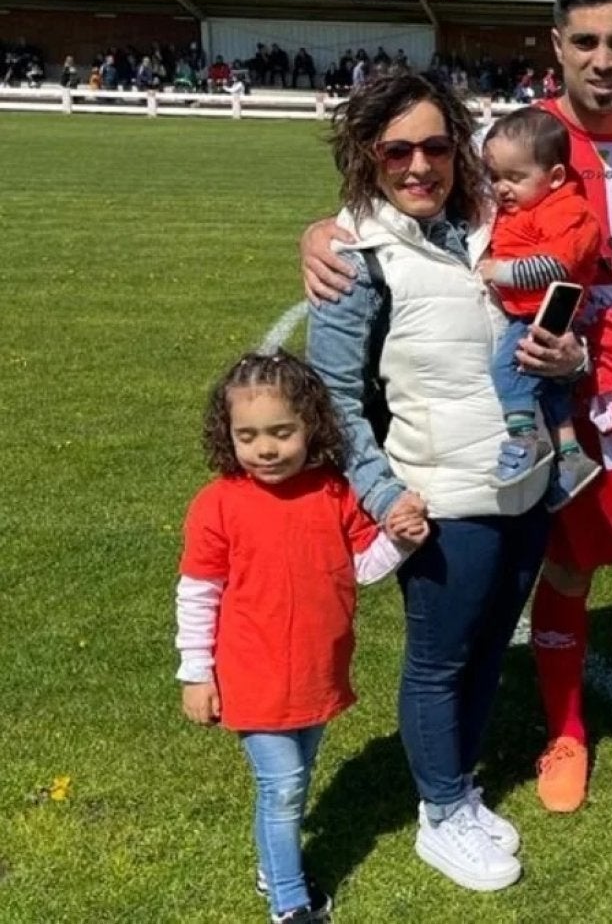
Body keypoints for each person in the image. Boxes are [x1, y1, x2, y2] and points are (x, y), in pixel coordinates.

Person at [298, 0, 612, 817]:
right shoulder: (508, 148)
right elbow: (408, 210)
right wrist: (320, 230)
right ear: (557, 46)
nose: (605, 59)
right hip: (552, 397)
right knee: (565, 564)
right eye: (588, 41)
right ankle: (564, 731)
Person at [306, 72, 552, 892]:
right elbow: (333, 400)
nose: (420, 166)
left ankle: (458, 787)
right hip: (443, 502)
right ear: (367, 156)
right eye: (398, 150)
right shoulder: (355, 254)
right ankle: (439, 815)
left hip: (524, 487)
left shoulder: (481, 228)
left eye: (437, 146)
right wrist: (383, 495)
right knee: (441, 660)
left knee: (486, 651)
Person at [175, 349, 426, 923]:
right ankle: (290, 901)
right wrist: (195, 672)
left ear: (311, 426)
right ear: (228, 436)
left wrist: (403, 538)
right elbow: (198, 592)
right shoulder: (217, 504)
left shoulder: (333, 492)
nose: (265, 448)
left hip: (316, 671)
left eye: (281, 432)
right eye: (248, 435)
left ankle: (273, 860)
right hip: (253, 675)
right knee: (283, 786)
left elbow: (363, 565)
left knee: (294, 780)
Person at [477, 107, 603, 508]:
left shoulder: (567, 212)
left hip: (543, 312)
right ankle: (571, 456)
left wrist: (499, 271)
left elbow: (553, 265)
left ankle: (524, 439)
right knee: (550, 387)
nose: (502, 188)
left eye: (515, 178)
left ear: (555, 178)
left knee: (508, 369)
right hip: (534, 310)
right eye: (495, 177)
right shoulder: (528, 208)